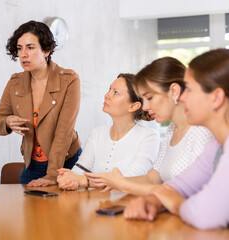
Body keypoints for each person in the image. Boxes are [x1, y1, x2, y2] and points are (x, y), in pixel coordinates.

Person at [124, 48, 229, 230]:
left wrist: (174, 203)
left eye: (189, 89)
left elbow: (204, 215)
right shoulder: (215, 148)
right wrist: (153, 201)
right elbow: (175, 187)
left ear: (216, 97)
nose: (181, 96)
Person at [85, 57, 213, 195]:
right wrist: (114, 182)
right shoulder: (171, 130)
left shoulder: (201, 130)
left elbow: (192, 190)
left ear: (174, 91)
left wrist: (121, 183)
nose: (145, 107)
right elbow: (152, 179)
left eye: (150, 98)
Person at [0, 20, 82, 186]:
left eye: (30, 47)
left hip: (67, 162)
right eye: (20, 48)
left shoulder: (69, 80)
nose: (23, 54)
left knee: (62, 211)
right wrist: (7, 122)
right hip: (32, 164)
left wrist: (52, 176)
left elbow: (64, 133)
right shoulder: (15, 82)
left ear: (46, 50)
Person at [57, 74, 160, 190]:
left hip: (125, 206)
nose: (107, 95)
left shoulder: (148, 137)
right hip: (94, 205)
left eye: (115, 93)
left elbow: (129, 181)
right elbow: (79, 171)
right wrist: (68, 178)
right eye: (109, 89)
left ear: (133, 106)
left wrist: (85, 181)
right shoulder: (97, 133)